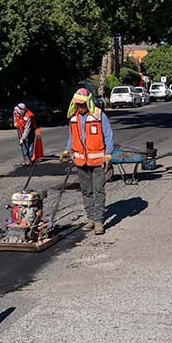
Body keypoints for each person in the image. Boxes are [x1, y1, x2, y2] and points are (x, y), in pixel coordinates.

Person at [60, 88, 114, 235]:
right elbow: (72, 137)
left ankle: (98, 221)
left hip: (98, 161)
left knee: (98, 190)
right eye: (78, 105)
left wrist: (108, 155)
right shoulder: (74, 118)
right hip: (81, 161)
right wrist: (67, 150)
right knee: (86, 191)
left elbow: (108, 135)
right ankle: (90, 217)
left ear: (88, 102)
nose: (80, 108)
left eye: (82, 105)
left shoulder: (98, 115)